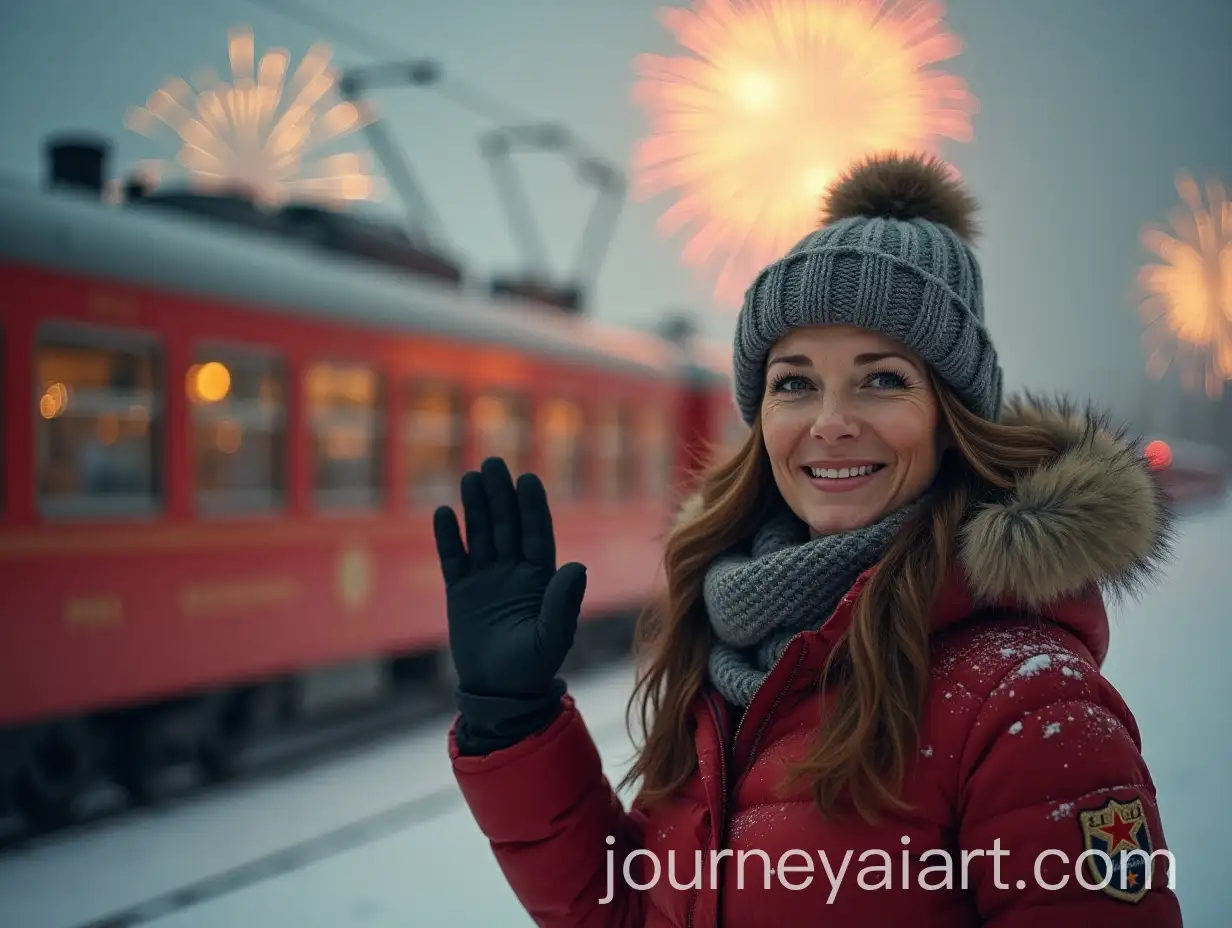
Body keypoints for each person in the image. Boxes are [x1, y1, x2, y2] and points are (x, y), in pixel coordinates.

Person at [433, 152, 1184, 926]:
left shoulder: (1029, 702)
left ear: (952, 418)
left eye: (882, 379)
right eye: (794, 383)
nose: (830, 422)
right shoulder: (727, 649)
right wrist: (514, 719)